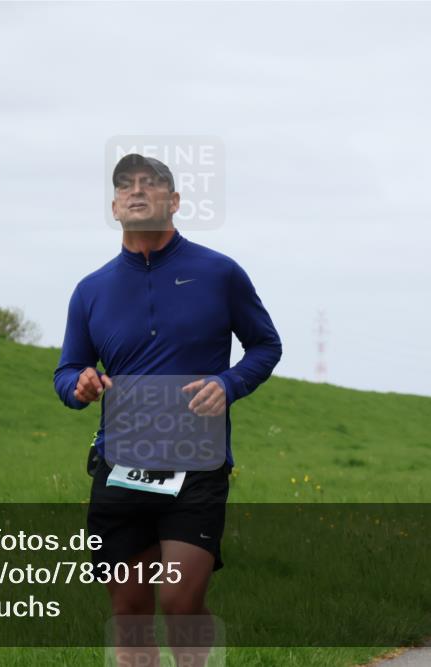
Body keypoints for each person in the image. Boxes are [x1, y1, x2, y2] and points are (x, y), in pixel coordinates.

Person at [53, 153, 282, 664]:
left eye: (151, 184)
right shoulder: (91, 290)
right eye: (125, 186)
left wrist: (229, 383)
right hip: (120, 467)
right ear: (114, 206)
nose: (138, 191)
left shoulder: (219, 273)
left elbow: (265, 346)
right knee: (131, 613)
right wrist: (80, 384)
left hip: (196, 465)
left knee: (180, 601)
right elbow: (66, 371)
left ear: (174, 201)